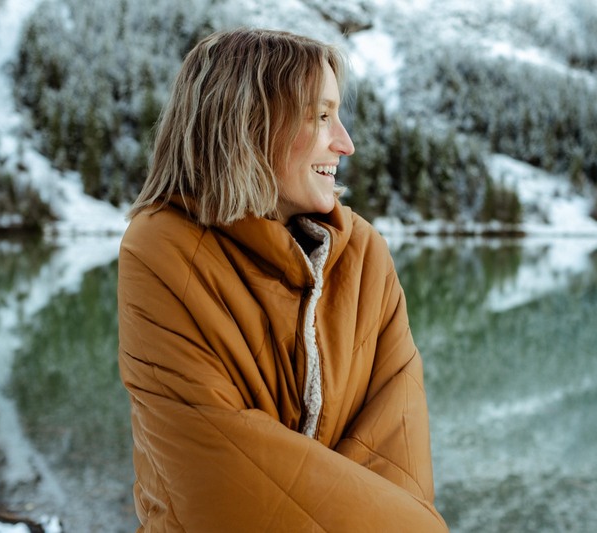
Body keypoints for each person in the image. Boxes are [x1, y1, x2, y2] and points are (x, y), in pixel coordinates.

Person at [117, 28, 448, 532]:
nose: (346, 144)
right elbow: (218, 480)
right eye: (321, 116)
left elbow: (398, 461)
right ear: (249, 122)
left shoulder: (365, 255)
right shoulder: (161, 250)